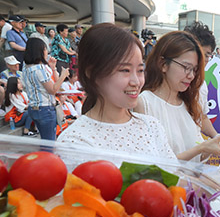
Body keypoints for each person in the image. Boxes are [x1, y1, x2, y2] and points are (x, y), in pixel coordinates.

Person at [57, 23, 175, 159]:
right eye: (125, 70)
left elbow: (175, 176)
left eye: (140, 70)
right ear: (92, 72)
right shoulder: (74, 143)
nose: (136, 82)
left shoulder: (151, 126)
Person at [134, 31, 220, 162]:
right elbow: (153, 167)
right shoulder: (144, 104)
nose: (191, 76)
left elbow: (197, 158)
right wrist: (202, 148)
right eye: (186, 67)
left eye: (194, 70)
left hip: (192, 182)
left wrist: (212, 147)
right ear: (163, 64)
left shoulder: (189, 103)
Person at [21, 37, 68, 140]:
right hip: (45, 109)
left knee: (45, 140)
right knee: (49, 143)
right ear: (41, 51)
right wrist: (63, 75)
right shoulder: (40, 68)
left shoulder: (26, 68)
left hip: (33, 107)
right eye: (45, 49)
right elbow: (53, 90)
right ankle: (47, 156)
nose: (47, 52)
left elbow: (54, 84)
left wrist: (53, 68)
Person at [184, 20, 218, 137]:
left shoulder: (201, 84)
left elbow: (202, 117)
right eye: (204, 54)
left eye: (209, 55)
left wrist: (218, 137)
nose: (206, 60)